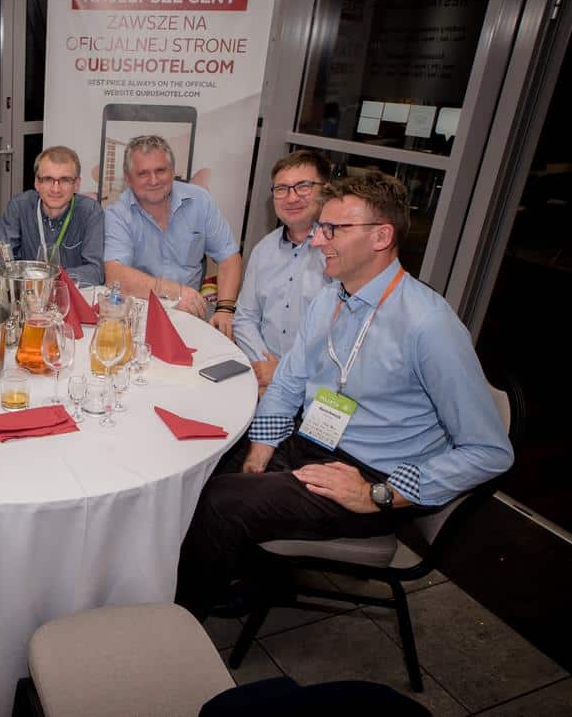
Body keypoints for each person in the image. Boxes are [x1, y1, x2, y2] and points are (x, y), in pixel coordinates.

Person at [175, 173, 513, 618]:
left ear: (381, 237)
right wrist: (260, 449)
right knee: (196, 465)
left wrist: (378, 494)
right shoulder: (331, 298)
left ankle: (182, 620)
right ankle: (236, 572)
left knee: (220, 502)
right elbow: (289, 383)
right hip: (313, 441)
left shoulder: (428, 326)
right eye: (321, 227)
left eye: (334, 229)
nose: (318, 240)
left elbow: (489, 451)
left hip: (370, 474)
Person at [103, 134, 241, 338]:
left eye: (160, 170)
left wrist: (225, 309)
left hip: (193, 313)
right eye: (143, 173)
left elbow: (229, 257)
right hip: (140, 314)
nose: (153, 180)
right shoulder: (117, 213)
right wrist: (174, 292)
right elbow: (115, 275)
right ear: (128, 178)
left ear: (173, 171)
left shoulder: (200, 201)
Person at [233, 151, 333, 395]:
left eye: (303, 186)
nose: (292, 197)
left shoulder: (337, 253)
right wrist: (265, 369)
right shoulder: (263, 250)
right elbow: (245, 318)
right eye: (282, 189)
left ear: (326, 190)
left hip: (317, 388)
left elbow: (344, 338)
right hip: (263, 378)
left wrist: (283, 373)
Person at [0, 145, 104, 285]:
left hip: (70, 295)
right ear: (37, 183)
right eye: (48, 179)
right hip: (27, 294)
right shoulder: (19, 207)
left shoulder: (91, 212)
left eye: (65, 180)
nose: (56, 189)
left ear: (76, 184)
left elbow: (95, 272)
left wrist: (49, 278)